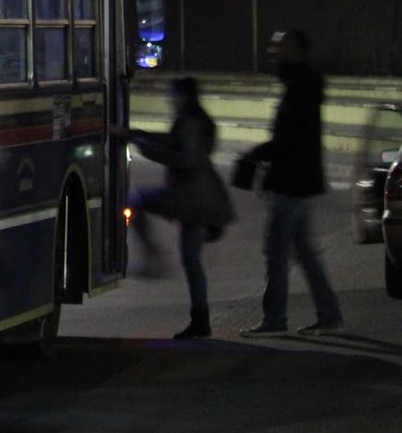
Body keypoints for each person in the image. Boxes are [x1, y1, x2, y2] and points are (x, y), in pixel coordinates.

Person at [238, 28, 345, 337]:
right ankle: (329, 315)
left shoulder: (299, 88)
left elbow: (289, 139)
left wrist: (257, 154)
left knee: (276, 252)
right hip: (302, 182)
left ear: (296, 49)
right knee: (305, 253)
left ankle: (275, 319)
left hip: (292, 183)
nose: (274, 53)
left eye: (279, 48)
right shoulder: (303, 85)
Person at [116, 76, 236, 339]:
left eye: (172, 95)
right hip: (200, 199)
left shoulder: (189, 122)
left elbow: (185, 159)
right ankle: (200, 319)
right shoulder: (195, 120)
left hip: (190, 198)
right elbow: (170, 140)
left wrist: (145, 149)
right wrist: (136, 135)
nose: (169, 100)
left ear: (182, 96)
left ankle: (152, 257)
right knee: (192, 261)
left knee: (135, 200)